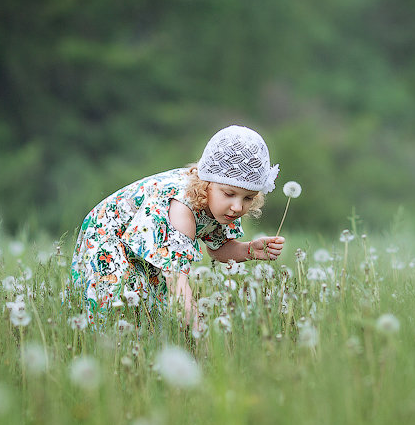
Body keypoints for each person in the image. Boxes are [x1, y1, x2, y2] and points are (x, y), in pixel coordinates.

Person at [70, 125, 285, 326]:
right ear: (206, 183)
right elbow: (176, 281)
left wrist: (250, 250)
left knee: (153, 307)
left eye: (248, 198)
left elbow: (218, 249)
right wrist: (199, 333)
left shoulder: (225, 206)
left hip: (141, 240)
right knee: (113, 302)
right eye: (230, 194)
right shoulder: (182, 208)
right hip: (108, 234)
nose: (238, 207)